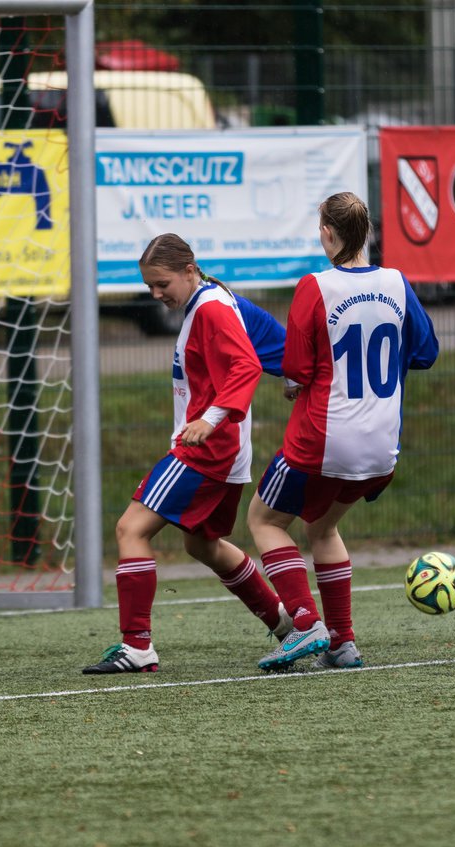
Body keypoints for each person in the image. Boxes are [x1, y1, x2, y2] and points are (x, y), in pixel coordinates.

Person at [83, 234, 293, 674]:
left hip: (206, 450)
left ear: (189, 269)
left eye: (162, 284)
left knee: (130, 529)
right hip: (227, 454)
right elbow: (270, 341)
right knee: (203, 544)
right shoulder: (219, 299)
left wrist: (210, 419)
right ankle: (287, 625)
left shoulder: (212, 308)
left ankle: (137, 645)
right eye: (150, 288)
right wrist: (296, 372)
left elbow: (247, 366)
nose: (157, 295)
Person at [248, 191, 439, 671]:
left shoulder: (315, 286)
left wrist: (295, 383)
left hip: (321, 440)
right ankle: (342, 642)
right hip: (381, 449)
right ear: (367, 233)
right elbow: (427, 351)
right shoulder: (397, 283)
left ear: (327, 234)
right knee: (323, 526)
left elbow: (295, 368)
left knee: (264, 521)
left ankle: (306, 621)